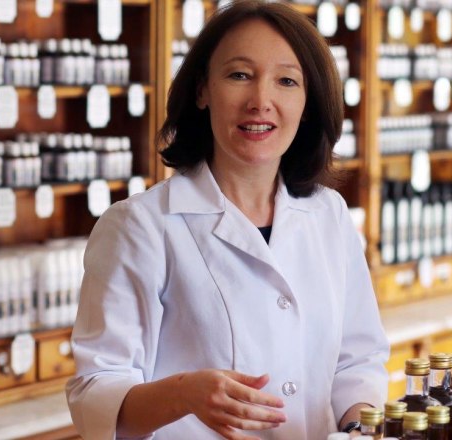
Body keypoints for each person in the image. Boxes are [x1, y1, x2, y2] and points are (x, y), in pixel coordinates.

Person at [65, 1, 389, 439]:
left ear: (308, 103)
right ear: (202, 90)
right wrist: (184, 394)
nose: (261, 101)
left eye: (287, 81)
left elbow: (357, 359)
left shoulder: (327, 213)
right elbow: (94, 394)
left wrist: (357, 426)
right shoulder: (139, 226)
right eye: (239, 75)